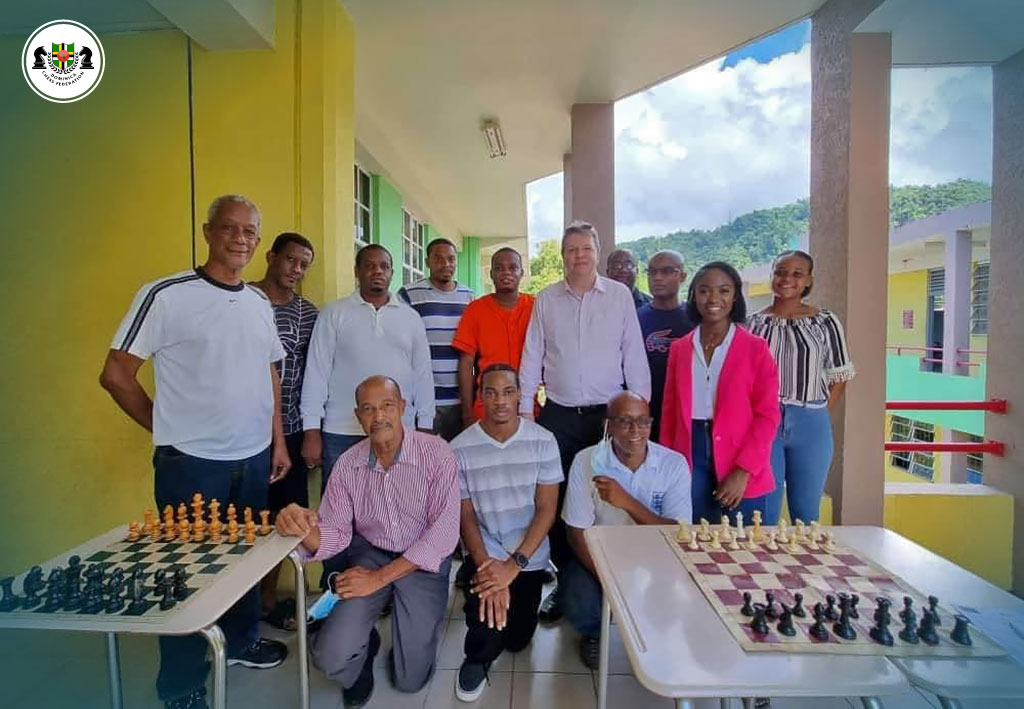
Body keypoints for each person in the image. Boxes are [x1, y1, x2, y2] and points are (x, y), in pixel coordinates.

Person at [100, 195, 289, 709]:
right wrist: (166, 429)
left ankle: (242, 641)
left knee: (245, 560)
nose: (240, 238)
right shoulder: (166, 295)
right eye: (229, 228)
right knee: (185, 572)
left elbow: (269, 371)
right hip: (191, 464)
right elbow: (116, 374)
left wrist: (277, 440)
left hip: (252, 458)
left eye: (250, 231)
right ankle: (180, 685)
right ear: (207, 232)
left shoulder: (256, 302)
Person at [276, 376, 459, 707]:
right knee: (330, 657)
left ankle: (403, 640)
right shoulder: (347, 465)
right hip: (371, 554)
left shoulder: (437, 454)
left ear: (402, 408)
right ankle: (363, 650)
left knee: (410, 680)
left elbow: (443, 534)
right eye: (368, 409)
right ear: (358, 416)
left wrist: (378, 580)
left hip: (421, 561)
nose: (379, 417)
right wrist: (300, 525)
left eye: (387, 406)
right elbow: (335, 532)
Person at [520, 221, 651, 623]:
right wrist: (527, 411)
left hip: (608, 417)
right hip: (558, 416)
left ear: (597, 253)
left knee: (607, 496)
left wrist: (640, 415)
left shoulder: (619, 298)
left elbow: (634, 356)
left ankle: (619, 581)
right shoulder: (546, 299)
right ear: (562, 256)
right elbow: (531, 356)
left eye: (586, 249)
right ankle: (566, 582)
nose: (579, 255)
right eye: (571, 249)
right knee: (557, 502)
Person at [450, 364, 561, 701]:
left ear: (520, 395)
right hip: (485, 554)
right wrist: (487, 567)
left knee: (516, 640)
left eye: (508, 392)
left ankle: (504, 599)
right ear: (481, 395)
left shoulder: (543, 442)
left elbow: (546, 510)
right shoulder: (459, 447)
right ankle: (477, 657)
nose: (500, 401)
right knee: (486, 625)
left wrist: (513, 566)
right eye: (491, 392)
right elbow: (465, 514)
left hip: (526, 557)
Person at [561, 391, 691, 669]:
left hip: (656, 557)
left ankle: (655, 631)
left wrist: (628, 502)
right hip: (600, 557)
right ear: (608, 425)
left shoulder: (673, 464)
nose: (636, 431)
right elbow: (576, 532)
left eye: (643, 421)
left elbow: (678, 534)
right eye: (625, 421)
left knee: (673, 605)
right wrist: (610, 581)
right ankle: (594, 633)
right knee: (578, 601)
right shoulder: (586, 460)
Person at [300, 244, 435, 486]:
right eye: (369, 266)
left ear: (392, 273)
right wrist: (311, 431)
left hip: (398, 432)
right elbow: (316, 373)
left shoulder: (410, 318)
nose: (377, 271)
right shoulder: (333, 313)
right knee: (341, 510)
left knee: (396, 508)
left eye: (384, 266)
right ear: (357, 271)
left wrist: (424, 426)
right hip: (342, 431)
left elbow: (423, 375)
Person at [660, 261, 780, 525]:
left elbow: (767, 416)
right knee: (691, 541)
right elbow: (669, 415)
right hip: (690, 455)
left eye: (723, 291)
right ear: (693, 296)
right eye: (704, 291)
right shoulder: (680, 349)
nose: (713, 298)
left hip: (740, 455)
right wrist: (665, 467)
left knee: (743, 546)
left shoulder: (755, 348)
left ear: (735, 296)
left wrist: (743, 470)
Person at [747, 250, 854, 524]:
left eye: (797, 274)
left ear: (808, 281)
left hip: (811, 422)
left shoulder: (825, 322)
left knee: (806, 514)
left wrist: (818, 413)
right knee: (763, 512)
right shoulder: (753, 324)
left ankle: (806, 567)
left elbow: (839, 376)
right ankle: (761, 567)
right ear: (772, 276)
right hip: (764, 424)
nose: (787, 279)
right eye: (781, 272)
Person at [250, 231, 319, 631]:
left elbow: (315, 375)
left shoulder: (308, 315)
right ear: (271, 256)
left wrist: (311, 430)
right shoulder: (242, 300)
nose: (296, 270)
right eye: (291, 260)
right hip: (240, 436)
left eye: (304, 265)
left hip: (290, 432)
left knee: (284, 520)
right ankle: (232, 607)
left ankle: (269, 601)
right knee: (241, 521)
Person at [398, 238, 475, 441]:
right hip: (423, 400)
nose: (446, 264)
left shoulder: (469, 297)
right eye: (438, 258)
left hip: (460, 400)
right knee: (424, 459)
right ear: (427, 261)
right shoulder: (409, 295)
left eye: (451, 259)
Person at [452, 247, 535, 428]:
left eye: (513, 267)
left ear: (522, 273)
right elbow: (466, 362)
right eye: (499, 268)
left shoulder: (535, 307)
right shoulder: (476, 310)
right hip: (486, 406)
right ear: (491, 274)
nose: (506, 272)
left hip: (528, 406)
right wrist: (467, 414)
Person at [636, 250, 695, 442]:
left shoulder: (697, 319)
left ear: (683, 276)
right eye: (652, 272)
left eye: (667, 271)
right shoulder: (635, 318)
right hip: (646, 413)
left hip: (687, 411)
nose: (658, 277)